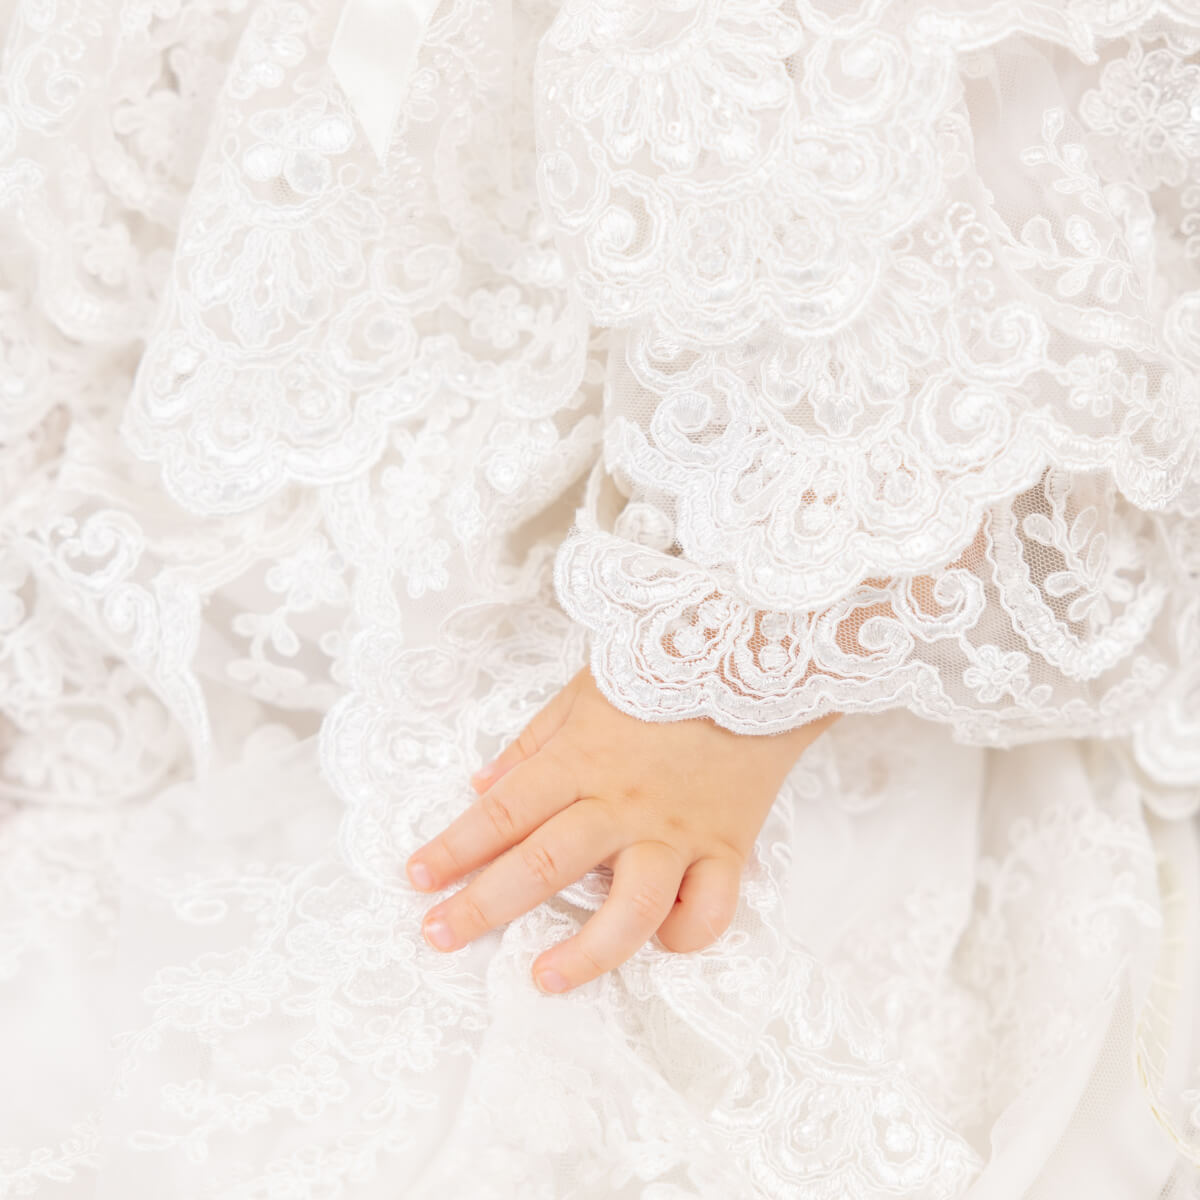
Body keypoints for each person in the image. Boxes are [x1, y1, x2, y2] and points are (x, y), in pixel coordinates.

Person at [1, 0, 1198, 1195]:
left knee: (529, 985)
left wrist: (736, 659)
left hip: (695, 536)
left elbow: (1006, 178)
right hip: (294, 487)